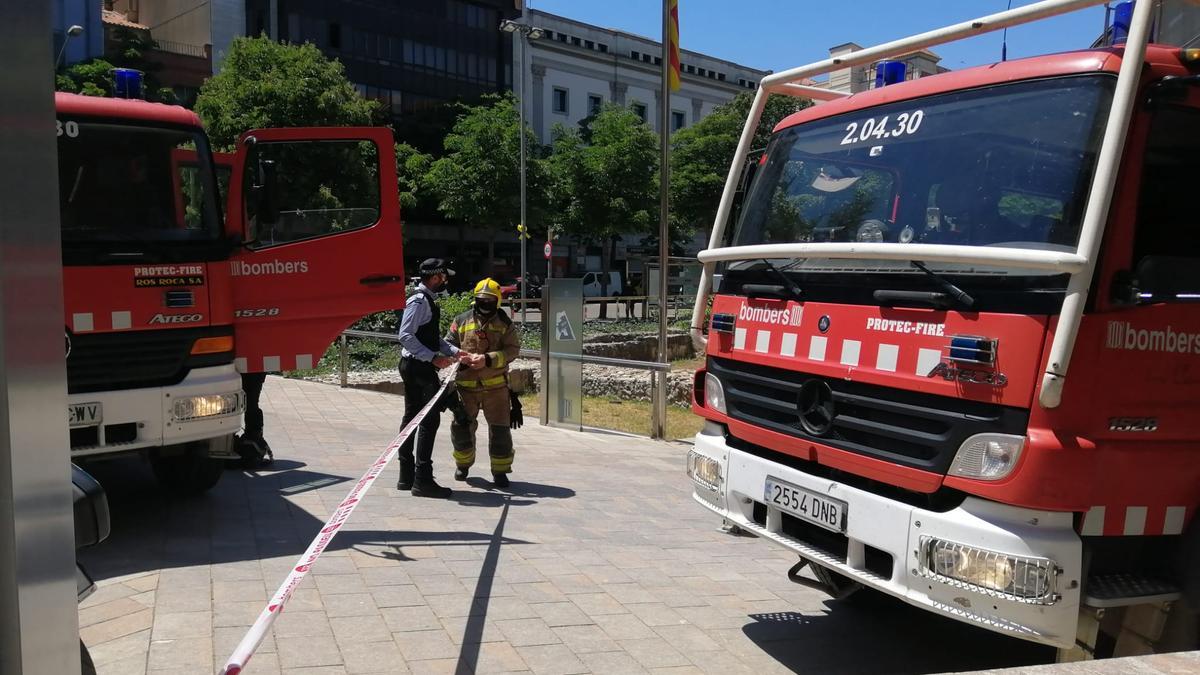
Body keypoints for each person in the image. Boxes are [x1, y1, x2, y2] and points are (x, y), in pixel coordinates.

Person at [445, 278, 521, 488]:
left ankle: (500, 471)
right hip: (465, 390)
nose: (484, 304)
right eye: (480, 300)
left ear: (496, 301)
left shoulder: (504, 324)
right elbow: (448, 345)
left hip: (496, 390)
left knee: (500, 432)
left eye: (489, 300)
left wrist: (487, 359)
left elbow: (513, 350)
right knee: (461, 429)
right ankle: (463, 464)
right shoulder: (461, 321)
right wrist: (458, 358)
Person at [396, 258, 460, 498]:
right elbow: (406, 335)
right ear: (435, 277)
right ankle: (422, 480)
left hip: (416, 366)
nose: (445, 281)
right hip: (418, 369)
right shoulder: (419, 301)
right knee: (428, 420)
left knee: (412, 417)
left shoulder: (427, 301)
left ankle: (406, 476)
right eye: (443, 277)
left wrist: (454, 352)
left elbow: (430, 337)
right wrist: (432, 359)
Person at [233, 372, 273, 468]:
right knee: (251, 404)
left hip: (250, 370)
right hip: (254, 370)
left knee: (248, 404)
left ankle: (251, 443)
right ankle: (253, 440)